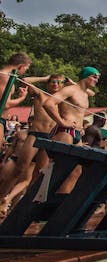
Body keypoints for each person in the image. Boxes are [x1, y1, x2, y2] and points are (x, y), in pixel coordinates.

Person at [0, 74, 64, 216]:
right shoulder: (41, 95)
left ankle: (21, 205)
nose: (55, 84)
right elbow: (25, 80)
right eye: (52, 82)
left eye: (58, 82)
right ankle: (2, 198)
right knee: (19, 169)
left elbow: (87, 93)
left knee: (38, 175)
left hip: (49, 139)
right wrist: (44, 78)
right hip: (35, 135)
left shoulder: (63, 101)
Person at [43, 67, 101, 193]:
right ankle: (42, 204)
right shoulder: (70, 90)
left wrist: (81, 127)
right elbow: (48, 103)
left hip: (77, 134)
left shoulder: (85, 94)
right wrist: (62, 122)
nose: (96, 80)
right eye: (94, 77)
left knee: (76, 171)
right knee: (59, 170)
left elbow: (87, 100)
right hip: (65, 131)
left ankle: (58, 205)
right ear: (86, 76)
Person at [0, 53, 31, 149]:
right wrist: (22, 98)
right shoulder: (4, 77)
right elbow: (5, 104)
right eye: (26, 68)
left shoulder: (7, 76)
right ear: (20, 66)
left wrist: (18, 96)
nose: (25, 71)